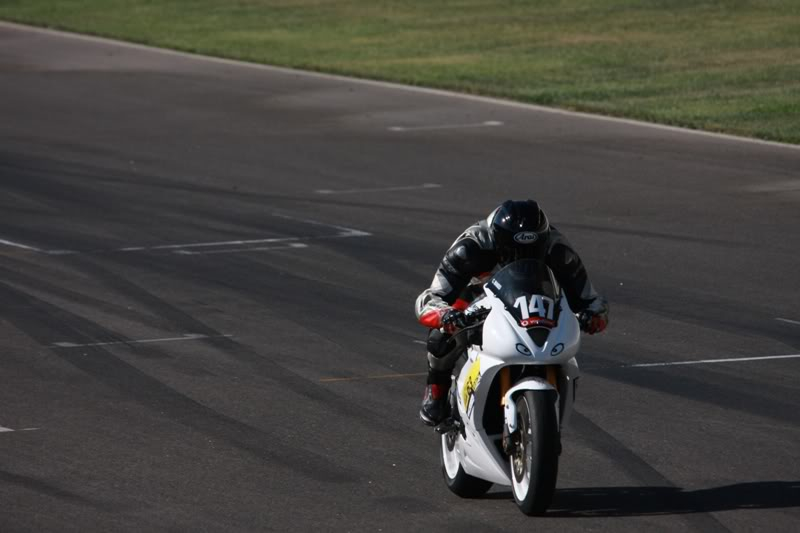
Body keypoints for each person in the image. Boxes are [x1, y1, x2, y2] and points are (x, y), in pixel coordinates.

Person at [415, 199, 609, 426]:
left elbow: (591, 298)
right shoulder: (470, 247)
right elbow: (430, 298)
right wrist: (445, 314)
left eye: (531, 251)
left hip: (535, 298)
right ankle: (436, 392)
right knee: (440, 338)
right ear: (498, 243)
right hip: (473, 296)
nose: (522, 256)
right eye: (514, 251)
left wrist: (593, 316)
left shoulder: (557, 249)